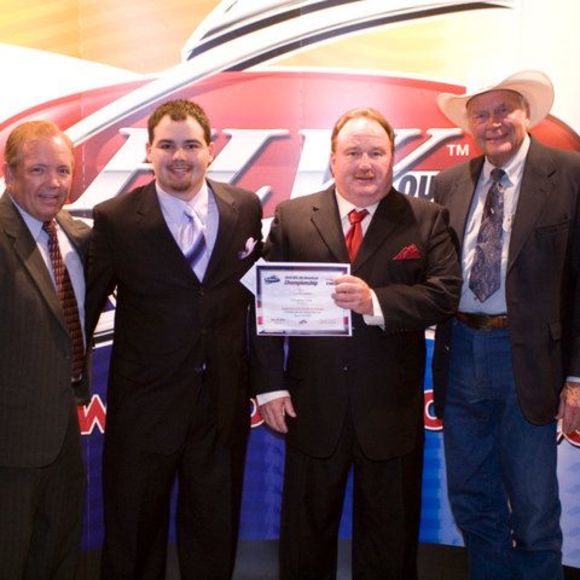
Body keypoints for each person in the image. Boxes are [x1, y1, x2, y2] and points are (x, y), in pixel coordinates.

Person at [251, 107, 461, 579]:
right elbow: (262, 306)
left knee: (390, 545)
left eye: (376, 152)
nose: (365, 164)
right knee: (305, 542)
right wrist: (269, 386)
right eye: (353, 152)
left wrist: (375, 301)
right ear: (333, 159)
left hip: (389, 410)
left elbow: (444, 294)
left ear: (392, 158)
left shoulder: (425, 218)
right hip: (311, 407)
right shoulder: (292, 217)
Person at [87, 99, 262, 579]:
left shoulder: (245, 209)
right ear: (148, 151)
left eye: (190, 145)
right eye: (166, 145)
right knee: (133, 541)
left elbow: (257, 302)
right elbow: (85, 309)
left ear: (211, 150)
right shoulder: (115, 218)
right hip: (144, 410)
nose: (179, 156)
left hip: (220, 409)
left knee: (212, 541)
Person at [431, 70, 580, 579]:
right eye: (481, 114)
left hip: (529, 358)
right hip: (460, 351)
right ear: (469, 124)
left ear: (526, 114)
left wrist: (576, 377)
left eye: (503, 110)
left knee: (535, 509)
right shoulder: (450, 182)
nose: (493, 123)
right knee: (473, 500)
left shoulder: (570, 174)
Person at [0, 120, 90, 578]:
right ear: (9, 172)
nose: (53, 183)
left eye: (62, 170)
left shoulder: (75, 235)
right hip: (9, 445)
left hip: (65, 438)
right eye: (38, 170)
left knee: (56, 559)